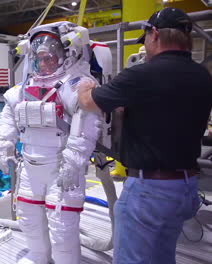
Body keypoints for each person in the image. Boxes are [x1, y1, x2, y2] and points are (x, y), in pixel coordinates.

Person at [77, 7, 212, 264]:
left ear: (155, 34)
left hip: (150, 191)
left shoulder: (140, 76)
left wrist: (84, 86)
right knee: (162, 256)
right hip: (185, 188)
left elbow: (88, 103)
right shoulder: (202, 77)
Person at [0, 21, 104, 264]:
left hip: (61, 167)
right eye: (40, 58)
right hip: (31, 168)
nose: (43, 64)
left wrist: (74, 163)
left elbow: (85, 125)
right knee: (29, 219)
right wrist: (4, 147)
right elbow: (9, 118)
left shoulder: (75, 85)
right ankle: (38, 259)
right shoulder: (23, 88)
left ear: (66, 55)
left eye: (50, 58)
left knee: (62, 227)